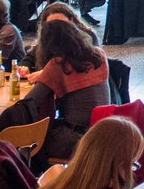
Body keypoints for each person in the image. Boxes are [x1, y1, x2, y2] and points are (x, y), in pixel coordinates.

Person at [10, 19, 109, 162]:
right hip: (101, 133)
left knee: (30, 143)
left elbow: (30, 101)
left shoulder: (58, 64)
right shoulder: (99, 55)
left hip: (76, 138)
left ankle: (39, 180)